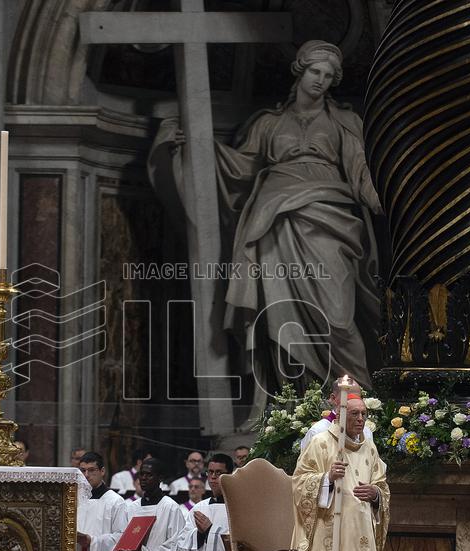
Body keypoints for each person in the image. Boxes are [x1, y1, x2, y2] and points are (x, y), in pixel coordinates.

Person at [151, 40, 383, 406]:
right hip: (272, 222)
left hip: (329, 220)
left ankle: (358, 399)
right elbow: (238, 169)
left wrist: (390, 202)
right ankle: (291, 405)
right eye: (315, 71)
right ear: (300, 71)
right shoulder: (267, 123)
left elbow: (361, 172)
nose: (320, 80)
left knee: (338, 318)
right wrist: (194, 146)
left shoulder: (345, 121)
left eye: (328, 75)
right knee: (277, 313)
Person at [289, 394, 390, 551]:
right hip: (331, 532)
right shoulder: (321, 443)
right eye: (355, 413)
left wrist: (376, 494)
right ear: (340, 414)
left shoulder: (370, 447)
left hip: (363, 535)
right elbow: (299, 483)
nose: (361, 419)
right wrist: (326, 478)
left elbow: (382, 485)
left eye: (364, 414)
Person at [299, 377, 373, 450]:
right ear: (333, 398)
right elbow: (308, 457)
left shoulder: (366, 432)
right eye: (349, 398)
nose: (355, 402)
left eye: (358, 398)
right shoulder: (318, 431)